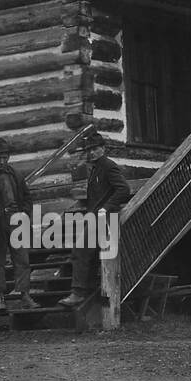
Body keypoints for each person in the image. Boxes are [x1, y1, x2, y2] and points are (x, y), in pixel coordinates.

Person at [59, 129, 131, 307]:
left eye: (95, 149)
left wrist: (106, 208)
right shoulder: (96, 168)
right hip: (95, 220)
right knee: (81, 252)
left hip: (105, 220)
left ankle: (78, 293)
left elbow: (123, 189)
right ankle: (84, 290)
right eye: (89, 150)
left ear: (103, 148)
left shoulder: (108, 165)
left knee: (81, 249)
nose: (91, 152)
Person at [0, 138, 39, 313]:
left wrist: (24, 213)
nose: (2, 161)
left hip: (16, 223)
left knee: (22, 260)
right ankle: (1, 298)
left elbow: (27, 198)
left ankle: (24, 295)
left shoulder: (16, 175)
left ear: (8, 157)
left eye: (4, 157)